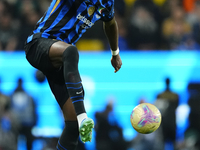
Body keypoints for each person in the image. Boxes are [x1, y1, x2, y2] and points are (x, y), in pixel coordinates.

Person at [24, 0, 122, 150]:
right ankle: (83, 117)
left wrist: (115, 53)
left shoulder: (107, 3)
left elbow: (110, 23)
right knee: (70, 51)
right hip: (39, 43)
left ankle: (79, 121)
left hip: (60, 60)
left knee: (73, 126)